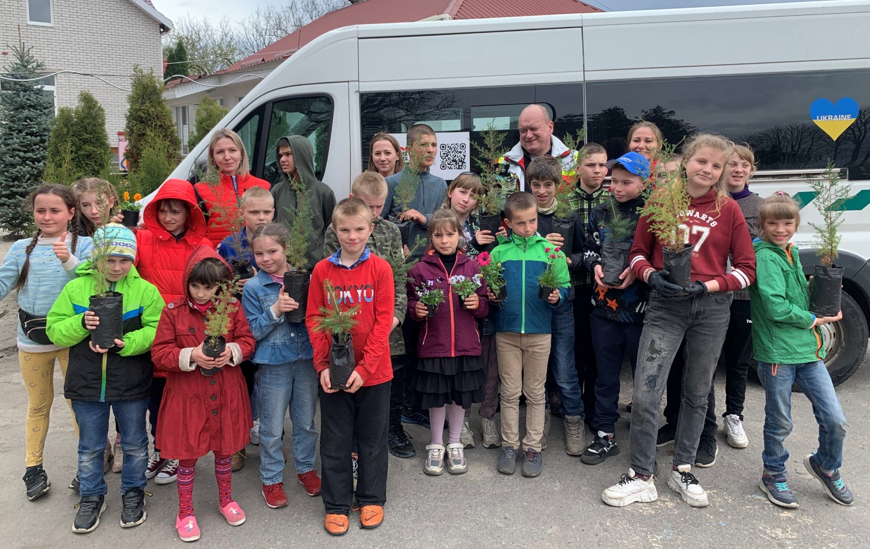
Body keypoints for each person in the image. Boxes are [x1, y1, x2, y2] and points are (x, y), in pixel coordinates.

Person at [601, 134, 756, 509]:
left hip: (711, 310)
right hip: (665, 308)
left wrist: (710, 287)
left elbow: (748, 270)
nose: (708, 170)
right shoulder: (661, 202)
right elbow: (638, 254)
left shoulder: (728, 210)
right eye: (702, 161)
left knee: (696, 392)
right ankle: (641, 475)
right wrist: (652, 276)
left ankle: (682, 468)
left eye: (716, 166)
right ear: (687, 161)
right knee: (647, 391)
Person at [47, 224, 164, 534]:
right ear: (96, 257)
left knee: (136, 442)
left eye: (124, 260)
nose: (116, 267)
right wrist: (81, 323)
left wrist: (131, 343)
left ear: (134, 259)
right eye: (108, 259)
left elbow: (156, 330)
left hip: (131, 381)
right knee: (90, 446)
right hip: (86, 383)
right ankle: (91, 495)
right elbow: (54, 329)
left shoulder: (145, 291)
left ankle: (133, 491)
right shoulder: (76, 289)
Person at [750, 193, 852, 509]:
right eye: (773, 223)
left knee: (835, 419)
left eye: (787, 223)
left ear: (796, 224)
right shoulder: (766, 257)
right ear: (762, 226)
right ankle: (773, 473)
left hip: (809, 352)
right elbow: (774, 306)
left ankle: (825, 464)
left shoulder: (789, 252)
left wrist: (820, 290)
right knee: (780, 421)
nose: (780, 229)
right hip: (778, 354)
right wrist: (814, 318)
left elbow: (794, 295)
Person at [151, 248, 255, 542]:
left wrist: (232, 352)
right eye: (194, 286)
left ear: (220, 286)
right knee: (187, 457)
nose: (200, 293)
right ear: (187, 283)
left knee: (224, 451)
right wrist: (191, 354)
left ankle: (226, 500)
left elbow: (247, 340)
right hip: (187, 395)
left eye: (208, 287)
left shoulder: (232, 308)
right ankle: (185, 511)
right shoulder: (172, 312)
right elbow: (159, 353)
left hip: (225, 392)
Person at [306, 198, 394, 536]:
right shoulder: (322, 271)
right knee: (336, 438)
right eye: (345, 230)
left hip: (375, 373)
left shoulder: (380, 270)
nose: (352, 236)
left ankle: (371, 497)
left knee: (372, 437)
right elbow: (314, 318)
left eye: (359, 229)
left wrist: (366, 369)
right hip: (334, 372)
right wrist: (322, 365)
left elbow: (383, 322)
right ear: (335, 230)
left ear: (370, 229)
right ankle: (337, 504)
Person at [0, 184, 93, 500]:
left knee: (78, 404)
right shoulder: (22, 248)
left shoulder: (87, 245)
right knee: (38, 405)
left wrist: (69, 259)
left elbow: (94, 283)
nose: (47, 216)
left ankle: (88, 465)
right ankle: (33, 468)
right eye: (41, 210)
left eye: (55, 210)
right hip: (33, 340)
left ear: (70, 213)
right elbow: (3, 283)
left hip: (75, 339)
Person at [324, 172, 412, 459]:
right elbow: (333, 282)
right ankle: (353, 442)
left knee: (392, 378)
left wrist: (395, 318)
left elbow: (399, 278)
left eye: (379, 206)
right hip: (352, 325)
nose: (374, 213)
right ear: (353, 200)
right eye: (368, 206)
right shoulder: (335, 231)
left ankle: (393, 428)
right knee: (351, 380)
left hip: (388, 324)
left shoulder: (390, 231)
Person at [134, 179, 213, 486]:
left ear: (188, 214)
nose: (168, 218)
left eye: (175, 212)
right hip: (156, 333)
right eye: (163, 211)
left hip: (189, 335)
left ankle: (179, 454)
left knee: (182, 403)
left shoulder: (202, 247)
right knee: (156, 401)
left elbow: (215, 284)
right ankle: (161, 449)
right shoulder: (143, 240)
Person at [488, 192, 570, 478]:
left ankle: (532, 447)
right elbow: (491, 286)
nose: (528, 228)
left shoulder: (550, 251)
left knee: (535, 392)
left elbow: (565, 285)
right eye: (520, 223)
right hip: (506, 331)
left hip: (539, 332)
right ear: (508, 223)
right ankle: (509, 446)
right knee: (509, 392)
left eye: (532, 221)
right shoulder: (498, 253)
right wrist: (491, 296)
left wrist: (558, 296)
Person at [244, 223, 322, 508]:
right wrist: (275, 310)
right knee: (272, 427)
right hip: (273, 364)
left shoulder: (306, 278)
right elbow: (252, 331)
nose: (266, 259)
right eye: (259, 253)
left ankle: (305, 469)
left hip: (305, 360)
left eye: (272, 251)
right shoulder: (254, 287)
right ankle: (271, 479)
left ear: (286, 249)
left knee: (305, 422)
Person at [580, 152, 649, 466]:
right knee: (606, 376)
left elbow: (662, 256)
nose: (617, 188)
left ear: (643, 182)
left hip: (642, 311)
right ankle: (604, 433)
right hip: (603, 308)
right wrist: (594, 265)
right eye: (614, 181)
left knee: (644, 378)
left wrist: (638, 269)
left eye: (626, 182)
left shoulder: (652, 213)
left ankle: (643, 441)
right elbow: (589, 248)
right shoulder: (602, 210)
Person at [406, 210, 488, 475]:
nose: (444, 240)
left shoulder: (472, 267)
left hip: (465, 345)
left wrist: (478, 304)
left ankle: (455, 443)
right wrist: (415, 309)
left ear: (460, 236)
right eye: (438, 235)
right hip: (435, 346)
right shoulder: (419, 270)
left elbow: (485, 303)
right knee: (437, 398)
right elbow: (409, 302)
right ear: (430, 237)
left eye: (450, 234)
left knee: (458, 398)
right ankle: (436, 444)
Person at [527, 156, 586, 456]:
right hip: (532, 303)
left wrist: (568, 258)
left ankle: (574, 420)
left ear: (558, 185)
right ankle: (542, 421)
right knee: (537, 370)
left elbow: (587, 253)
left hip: (562, 303)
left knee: (564, 367)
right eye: (535, 185)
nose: (541, 191)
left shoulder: (568, 215)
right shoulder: (523, 215)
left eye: (547, 185)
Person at [217, 185, 276, 470]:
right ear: (242, 214)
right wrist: (232, 285)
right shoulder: (229, 245)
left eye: (266, 211)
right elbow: (214, 284)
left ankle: (269, 442)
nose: (261, 217)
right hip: (237, 325)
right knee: (239, 386)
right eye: (254, 212)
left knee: (267, 389)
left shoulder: (278, 243)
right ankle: (237, 445)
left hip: (269, 328)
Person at [71, 178, 126, 473]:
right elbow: (76, 275)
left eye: (100, 202)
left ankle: (119, 442)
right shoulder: (77, 238)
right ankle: (99, 445)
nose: (94, 210)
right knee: (91, 393)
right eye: (86, 205)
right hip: (87, 315)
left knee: (122, 389)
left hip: (122, 314)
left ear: (113, 200)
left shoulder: (124, 228)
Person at [443, 172, 491, 448]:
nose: (467, 199)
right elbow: (439, 253)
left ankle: (465, 423)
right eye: (463, 192)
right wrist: (473, 244)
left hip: (470, 302)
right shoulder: (439, 219)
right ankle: (452, 426)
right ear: (451, 191)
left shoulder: (477, 223)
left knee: (469, 365)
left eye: (473, 196)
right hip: (444, 305)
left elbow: (481, 263)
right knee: (447, 367)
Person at [567, 143, 610, 424]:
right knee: (576, 347)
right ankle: (573, 406)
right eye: (591, 165)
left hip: (604, 287)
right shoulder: (567, 201)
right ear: (579, 167)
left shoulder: (612, 200)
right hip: (575, 284)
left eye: (602, 165)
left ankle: (594, 409)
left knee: (598, 350)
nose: (597, 170)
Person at [271, 134, 337, 273]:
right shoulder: (277, 191)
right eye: (281, 155)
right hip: (283, 269)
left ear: (302, 155)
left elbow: (332, 231)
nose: (283, 159)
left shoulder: (323, 192)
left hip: (316, 269)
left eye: (288, 154)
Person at [381, 124, 447, 259]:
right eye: (424, 145)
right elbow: (379, 223)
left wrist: (425, 219)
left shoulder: (440, 184)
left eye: (434, 145)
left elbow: (445, 222)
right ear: (410, 150)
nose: (430, 150)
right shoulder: (391, 183)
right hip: (401, 262)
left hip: (434, 260)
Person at [194, 128, 270, 247]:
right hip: (218, 262)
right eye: (220, 152)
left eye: (232, 150)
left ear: (241, 153)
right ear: (212, 158)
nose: (227, 157)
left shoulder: (264, 186)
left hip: (258, 259)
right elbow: (195, 234)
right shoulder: (200, 191)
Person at [499, 104, 577, 193]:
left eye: (533, 129)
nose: (528, 135)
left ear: (550, 127)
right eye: (523, 130)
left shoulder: (575, 160)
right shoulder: (503, 163)